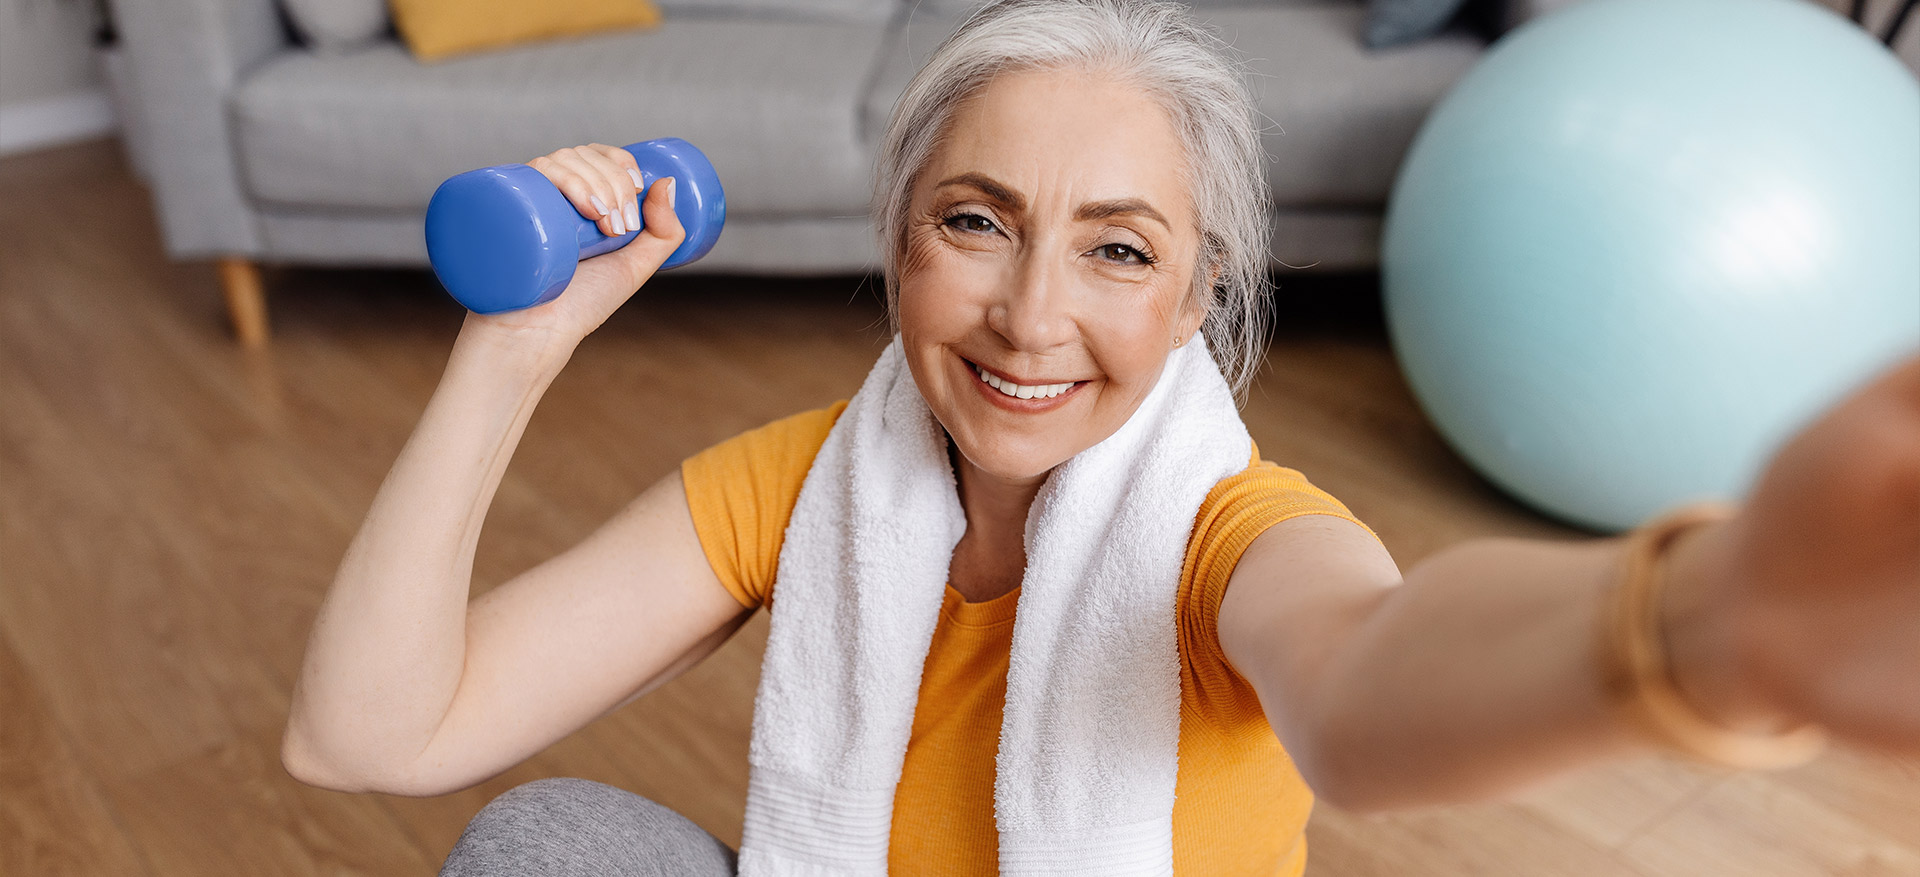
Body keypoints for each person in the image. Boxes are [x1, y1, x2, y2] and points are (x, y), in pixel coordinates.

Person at [280, 0, 1920, 874]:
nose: (1029, 315)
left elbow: (1362, 680)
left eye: (1119, 248)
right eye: (978, 222)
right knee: (553, 849)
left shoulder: (1232, 531)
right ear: (901, 238)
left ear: (1198, 296)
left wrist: (1702, 628)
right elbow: (373, 735)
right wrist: (512, 352)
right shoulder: (798, 483)